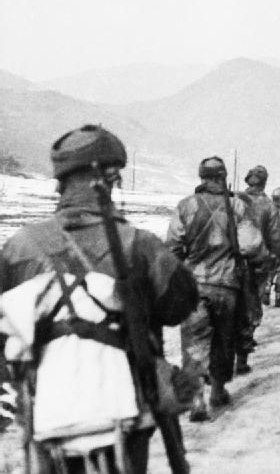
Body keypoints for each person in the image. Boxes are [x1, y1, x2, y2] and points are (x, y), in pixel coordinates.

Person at [0, 124, 199, 473]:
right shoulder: (138, 243)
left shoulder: (19, 246)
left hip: (46, 410)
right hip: (125, 410)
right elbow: (179, 306)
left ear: (61, 181)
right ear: (110, 178)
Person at [166, 156, 264, 421]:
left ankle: (196, 399)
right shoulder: (237, 206)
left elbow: (173, 246)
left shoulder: (185, 205)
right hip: (226, 285)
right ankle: (218, 392)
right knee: (223, 339)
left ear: (201, 177)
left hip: (194, 286)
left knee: (193, 343)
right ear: (223, 177)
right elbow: (251, 245)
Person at [233, 165, 280, 374]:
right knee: (250, 308)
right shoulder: (267, 205)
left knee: (230, 306)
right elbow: (277, 239)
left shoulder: (234, 200)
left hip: (230, 263)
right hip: (257, 265)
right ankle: (242, 358)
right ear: (264, 183)